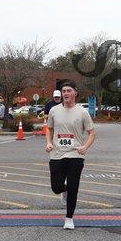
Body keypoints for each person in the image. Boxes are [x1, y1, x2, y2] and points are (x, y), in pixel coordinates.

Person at [45, 81, 95, 230]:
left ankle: (69, 218)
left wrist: (85, 147)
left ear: (75, 93)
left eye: (68, 90)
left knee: (74, 186)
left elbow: (92, 132)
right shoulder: (54, 110)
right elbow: (49, 128)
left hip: (75, 153)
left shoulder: (82, 112)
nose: (65, 93)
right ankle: (64, 190)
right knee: (56, 187)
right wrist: (49, 142)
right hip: (57, 153)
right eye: (64, 91)